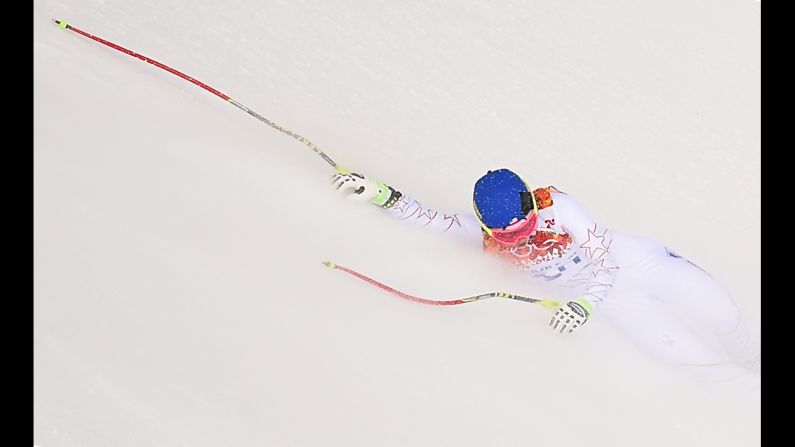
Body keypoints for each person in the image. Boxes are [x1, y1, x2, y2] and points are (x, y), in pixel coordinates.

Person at [332, 168, 760, 387]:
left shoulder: (560, 206)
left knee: (722, 313)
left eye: (524, 226)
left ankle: (750, 352)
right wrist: (382, 195)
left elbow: (605, 261)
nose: (520, 238)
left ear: (533, 203)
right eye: (505, 235)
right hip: (610, 303)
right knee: (697, 365)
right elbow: (431, 219)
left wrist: (586, 303)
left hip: (633, 264)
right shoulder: (480, 234)